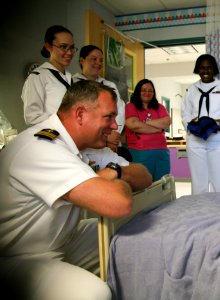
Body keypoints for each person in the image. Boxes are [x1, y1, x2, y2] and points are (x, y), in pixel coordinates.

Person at [0, 80, 153, 300]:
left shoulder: (74, 144)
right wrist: (114, 179)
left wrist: (114, 172)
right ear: (80, 114)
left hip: (59, 239)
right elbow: (119, 202)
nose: (114, 126)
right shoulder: (41, 146)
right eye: (108, 117)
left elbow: (144, 176)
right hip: (18, 256)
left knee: (133, 232)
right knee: (94, 294)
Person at [181, 54, 220, 194]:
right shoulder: (191, 89)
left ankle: (218, 210)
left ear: (214, 69)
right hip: (196, 140)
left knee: (217, 180)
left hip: (218, 139)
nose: (205, 71)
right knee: (198, 181)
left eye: (209, 68)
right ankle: (200, 210)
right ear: (197, 69)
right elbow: (185, 113)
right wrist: (190, 123)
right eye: (202, 68)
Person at [73, 45, 126, 154]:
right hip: (83, 141)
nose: (98, 63)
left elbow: (120, 111)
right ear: (82, 60)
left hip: (109, 141)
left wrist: (113, 133)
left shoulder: (109, 85)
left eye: (101, 60)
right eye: (94, 59)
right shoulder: (72, 83)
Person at [22, 25, 77, 126]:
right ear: (48, 47)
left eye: (72, 47)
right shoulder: (38, 77)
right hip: (51, 138)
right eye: (63, 47)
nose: (69, 52)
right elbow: (32, 117)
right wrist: (64, 119)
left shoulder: (70, 78)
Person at [125, 79, 171, 181]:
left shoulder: (159, 107)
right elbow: (133, 124)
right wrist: (157, 129)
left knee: (162, 184)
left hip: (161, 151)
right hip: (140, 151)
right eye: (143, 90)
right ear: (138, 91)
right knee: (143, 183)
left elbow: (166, 122)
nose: (147, 93)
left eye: (150, 91)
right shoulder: (131, 106)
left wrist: (143, 123)